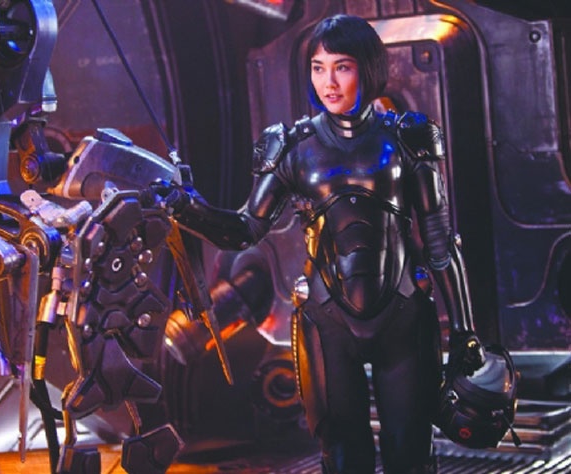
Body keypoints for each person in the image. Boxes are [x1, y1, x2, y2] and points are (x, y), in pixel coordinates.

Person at [156, 14, 485, 474]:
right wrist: (185, 208)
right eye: (318, 67)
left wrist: (466, 330)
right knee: (342, 457)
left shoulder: (408, 138)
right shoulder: (292, 146)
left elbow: (440, 242)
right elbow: (246, 229)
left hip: (403, 318)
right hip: (327, 323)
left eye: (342, 67)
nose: (328, 82)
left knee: (410, 455)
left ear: (368, 68)